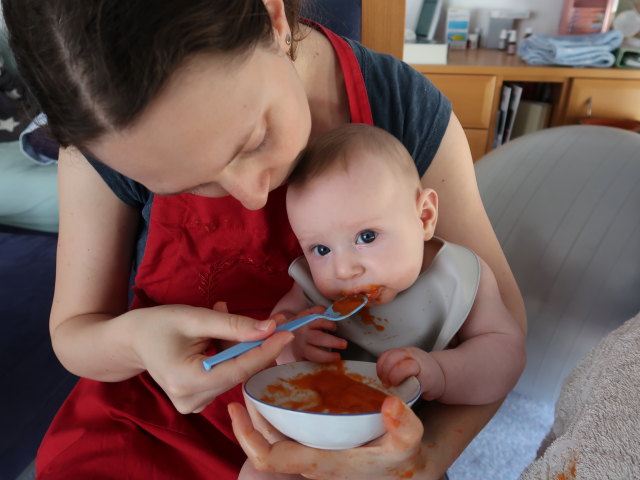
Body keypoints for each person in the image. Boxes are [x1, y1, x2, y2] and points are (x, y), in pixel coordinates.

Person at [3, 1, 526, 479]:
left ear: (273, 18)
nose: (253, 197)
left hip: (358, 443)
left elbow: (504, 333)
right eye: (191, 186)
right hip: (144, 431)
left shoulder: (402, 109)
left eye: (253, 141)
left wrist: (420, 461)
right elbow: (74, 333)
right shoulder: (100, 135)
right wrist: (135, 342)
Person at [271, 124, 525, 405]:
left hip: (418, 429)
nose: (343, 270)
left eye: (366, 237)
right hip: (332, 418)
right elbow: (275, 332)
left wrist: (441, 372)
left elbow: (506, 353)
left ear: (425, 217)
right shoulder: (310, 288)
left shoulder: (458, 275)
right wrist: (293, 342)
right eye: (321, 249)